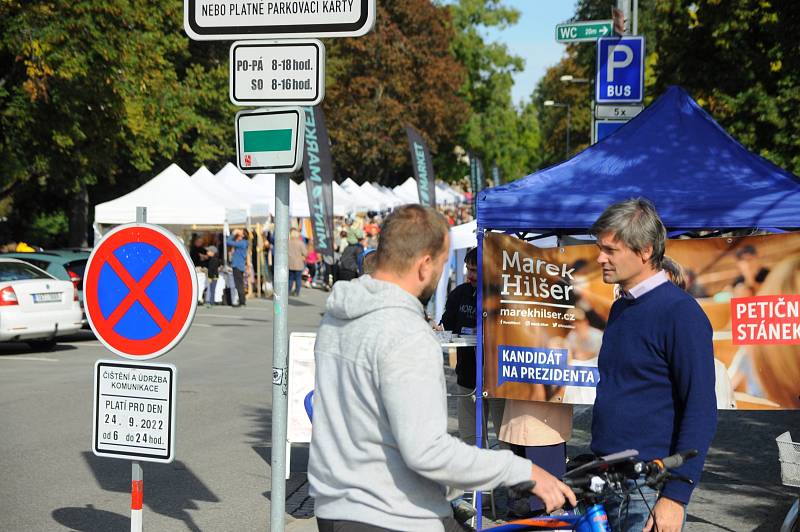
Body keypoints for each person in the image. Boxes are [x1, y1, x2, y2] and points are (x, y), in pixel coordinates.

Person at [308, 204, 576, 531]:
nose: (441, 275)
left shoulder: (337, 316)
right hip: (392, 515)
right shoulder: (405, 332)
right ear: (424, 264)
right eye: (441, 265)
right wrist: (523, 471)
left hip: (335, 508)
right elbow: (427, 452)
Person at [590, 198, 717, 532]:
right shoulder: (622, 308)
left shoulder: (681, 314)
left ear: (645, 251)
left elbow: (701, 409)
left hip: (649, 487)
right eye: (599, 248)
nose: (599, 258)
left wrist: (676, 496)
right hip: (608, 479)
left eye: (609, 250)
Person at [439, 248, 504, 447]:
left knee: (506, 439)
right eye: (468, 269)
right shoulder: (459, 294)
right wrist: (436, 329)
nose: (469, 275)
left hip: (498, 380)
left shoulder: (503, 295)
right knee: (470, 440)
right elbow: (446, 327)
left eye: (475, 270)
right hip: (467, 376)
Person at [226, 229, 248, 307]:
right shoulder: (244, 243)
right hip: (240, 265)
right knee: (240, 284)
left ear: (243, 235)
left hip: (237, 265)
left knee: (238, 284)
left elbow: (228, 241)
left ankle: (241, 301)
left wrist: (233, 234)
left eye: (241, 232)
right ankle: (242, 300)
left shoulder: (242, 243)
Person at [288, 228, 307, 296]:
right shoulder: (300, 243)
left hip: (290, 263)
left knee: (290, 278)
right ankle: (297, 292)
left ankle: (288, 291)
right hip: (298, 263)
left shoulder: (288, 243)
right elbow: (305, 253)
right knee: (298, 278)